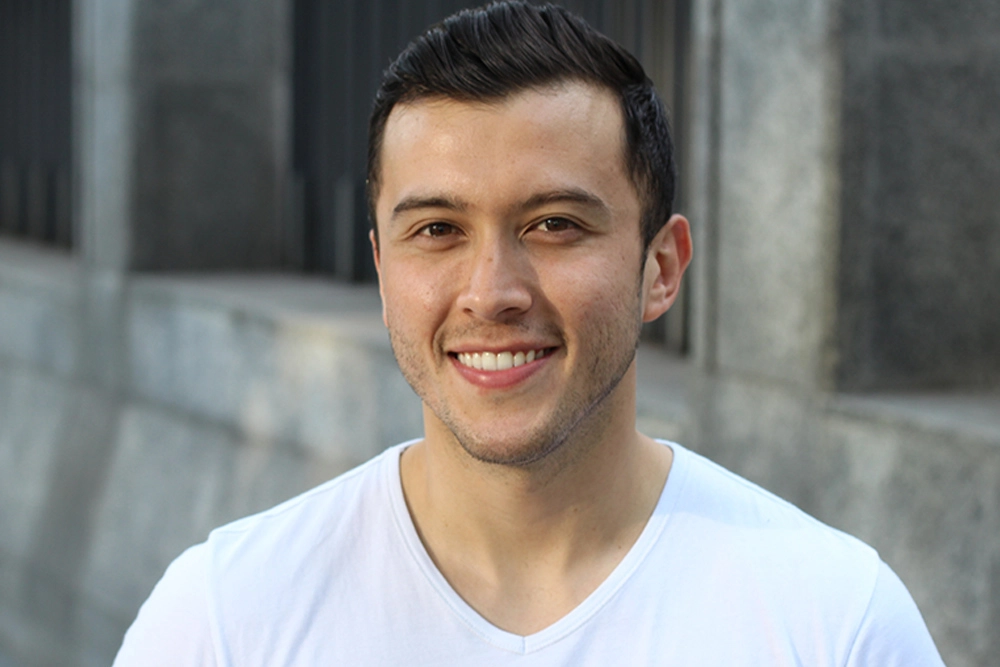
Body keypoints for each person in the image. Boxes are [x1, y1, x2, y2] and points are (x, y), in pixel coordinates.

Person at [114, 2, 945, 664]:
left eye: (553, 224)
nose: (492, 293)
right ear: (381, 268)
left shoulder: (836, 623)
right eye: (437, 229)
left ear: (661, 266)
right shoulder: (224, 619)